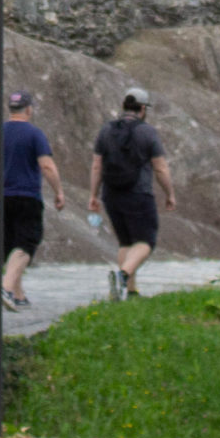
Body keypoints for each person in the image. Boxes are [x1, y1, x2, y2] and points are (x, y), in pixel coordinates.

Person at [88, 86, 174, 299]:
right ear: (143, 109)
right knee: (145, 242)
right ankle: (123, 276)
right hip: (139, 194)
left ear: (124, 106)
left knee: (126, 242)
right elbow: (161, 168)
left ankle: (130, 292)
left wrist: (93, 195)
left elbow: (97, 166)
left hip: (111, 194)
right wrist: (169, 194)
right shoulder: (147, 132)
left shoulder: (106, 130)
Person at [0, 89, 68, 311]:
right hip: (27, 196)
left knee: (11, 247)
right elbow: (46, 166)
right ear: (28, 110)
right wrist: (58, 191)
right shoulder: (34, 134)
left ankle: (18, 295)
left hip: (1, 197)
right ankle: (6, 288)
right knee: (26, 243)